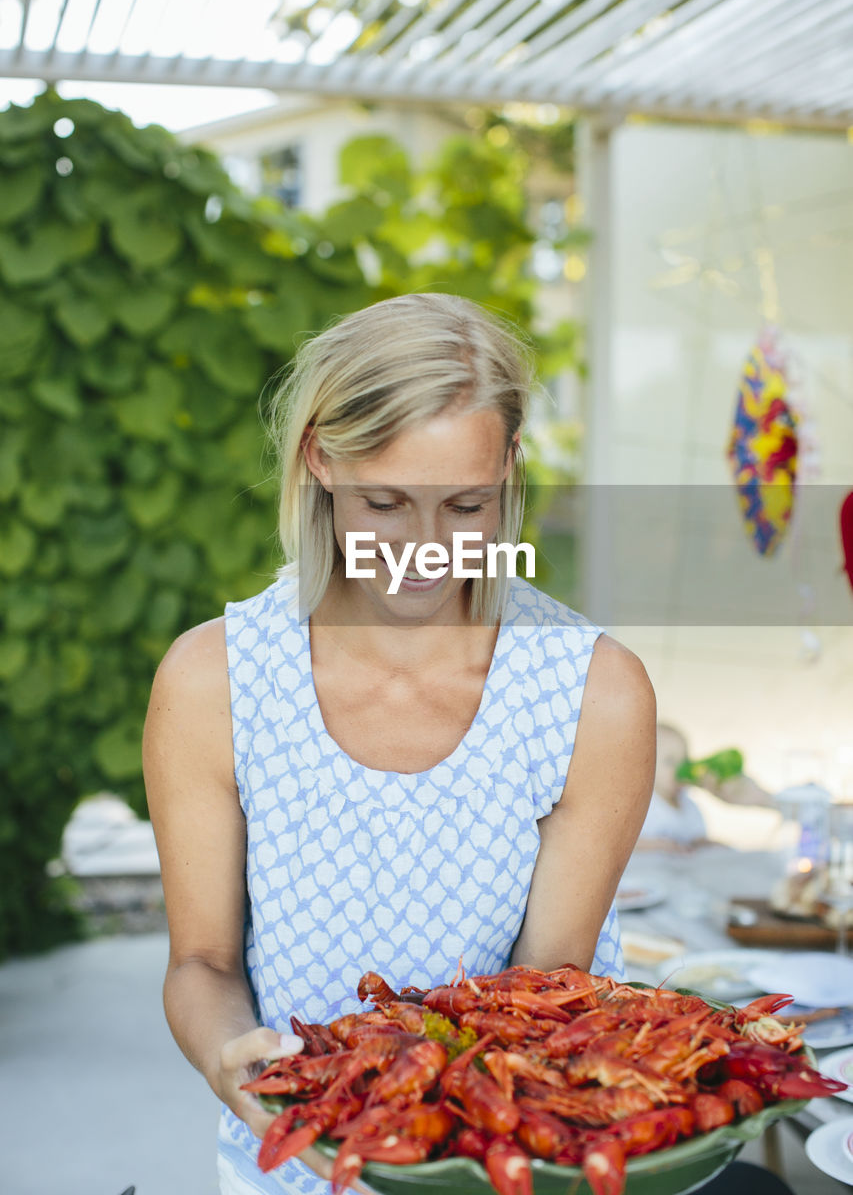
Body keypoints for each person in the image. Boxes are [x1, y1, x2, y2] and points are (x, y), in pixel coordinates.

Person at [143, 292, 661, 1193]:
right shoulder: (212, 681)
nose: (425, 550)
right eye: (385, 502)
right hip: (290, 1171)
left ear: (509, 467)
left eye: (466, 505)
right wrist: (234, 1058)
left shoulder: (594, 694)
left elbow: (539, 1004)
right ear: (319, 461)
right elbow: (203, 963)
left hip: (512, 1168)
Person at [637, 723, 778, 852]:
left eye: (685, 760)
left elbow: (695, 841)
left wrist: (707, 844)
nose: (680, 768)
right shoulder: (642, 804)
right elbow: (626, 844)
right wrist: (658, 846)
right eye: (670, 761)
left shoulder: (688, 805)